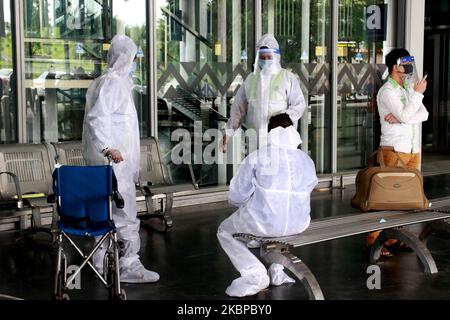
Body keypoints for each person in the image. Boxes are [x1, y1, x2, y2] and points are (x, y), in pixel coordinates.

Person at [82, 34, 159, 283]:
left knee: (104, 213)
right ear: (125, 58)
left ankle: (102, 261)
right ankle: (128, 266)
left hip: (110, 164)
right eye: (134, 58)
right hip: (114, 165)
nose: (135, 63)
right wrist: (108, 148)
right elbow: (97, 118)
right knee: (124, 215)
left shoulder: (108, 83)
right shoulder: (112, 84)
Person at [217, 113, 318, 297]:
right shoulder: (306, 159)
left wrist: (248, 201)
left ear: (270, 132)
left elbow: (237, 195)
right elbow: (309, 188)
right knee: (278, 224)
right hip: (299, 224)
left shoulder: (258, 157)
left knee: (225, 231)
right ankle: (276, 273)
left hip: (264, 223)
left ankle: (255, 274)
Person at [367, 48, 429, 255]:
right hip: (395, 149)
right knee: (388, 198)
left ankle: (394, 237)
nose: (410, 67)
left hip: (411, 149)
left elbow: (424, 113)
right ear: (395, 67)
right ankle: (374, 239)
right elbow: (408, 113)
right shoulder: (388, 91)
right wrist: (416, 98)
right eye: (406, 63)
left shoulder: (406, 89)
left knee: (404, 199)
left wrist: (404, 115)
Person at [220, 34, 306, 152]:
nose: (265, 60)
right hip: (255, 144)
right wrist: (228, 133)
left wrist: (284, 117)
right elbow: (238, 110)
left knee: (279, 170)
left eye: (268, 56)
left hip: (281, 143)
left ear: (276, 56)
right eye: (262, 57)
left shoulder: (287, 78)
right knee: (256, 170)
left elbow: (299, 105)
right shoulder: (250, 80)